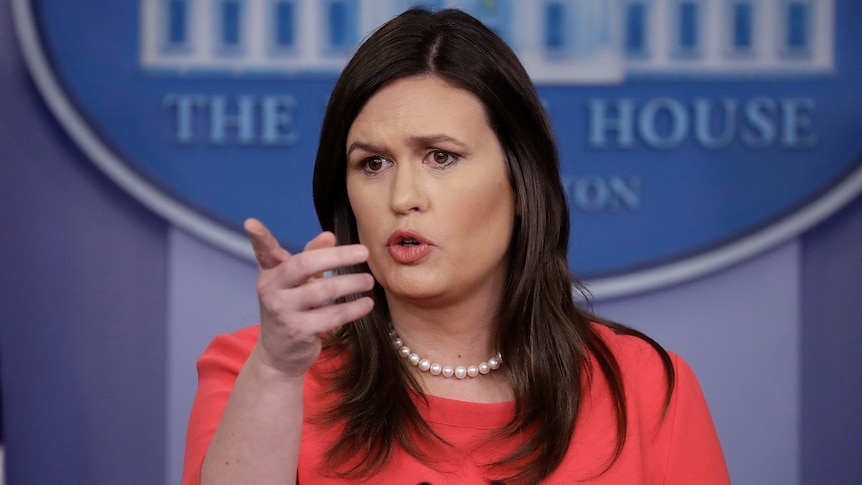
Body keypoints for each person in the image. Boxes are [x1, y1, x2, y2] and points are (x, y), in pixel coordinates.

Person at [181, 8, 730, 485]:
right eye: (373, 164)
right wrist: (277, 373)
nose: (402, 197)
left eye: (440, 156)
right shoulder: (258, 371)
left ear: (521, 183)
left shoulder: (645, 387)